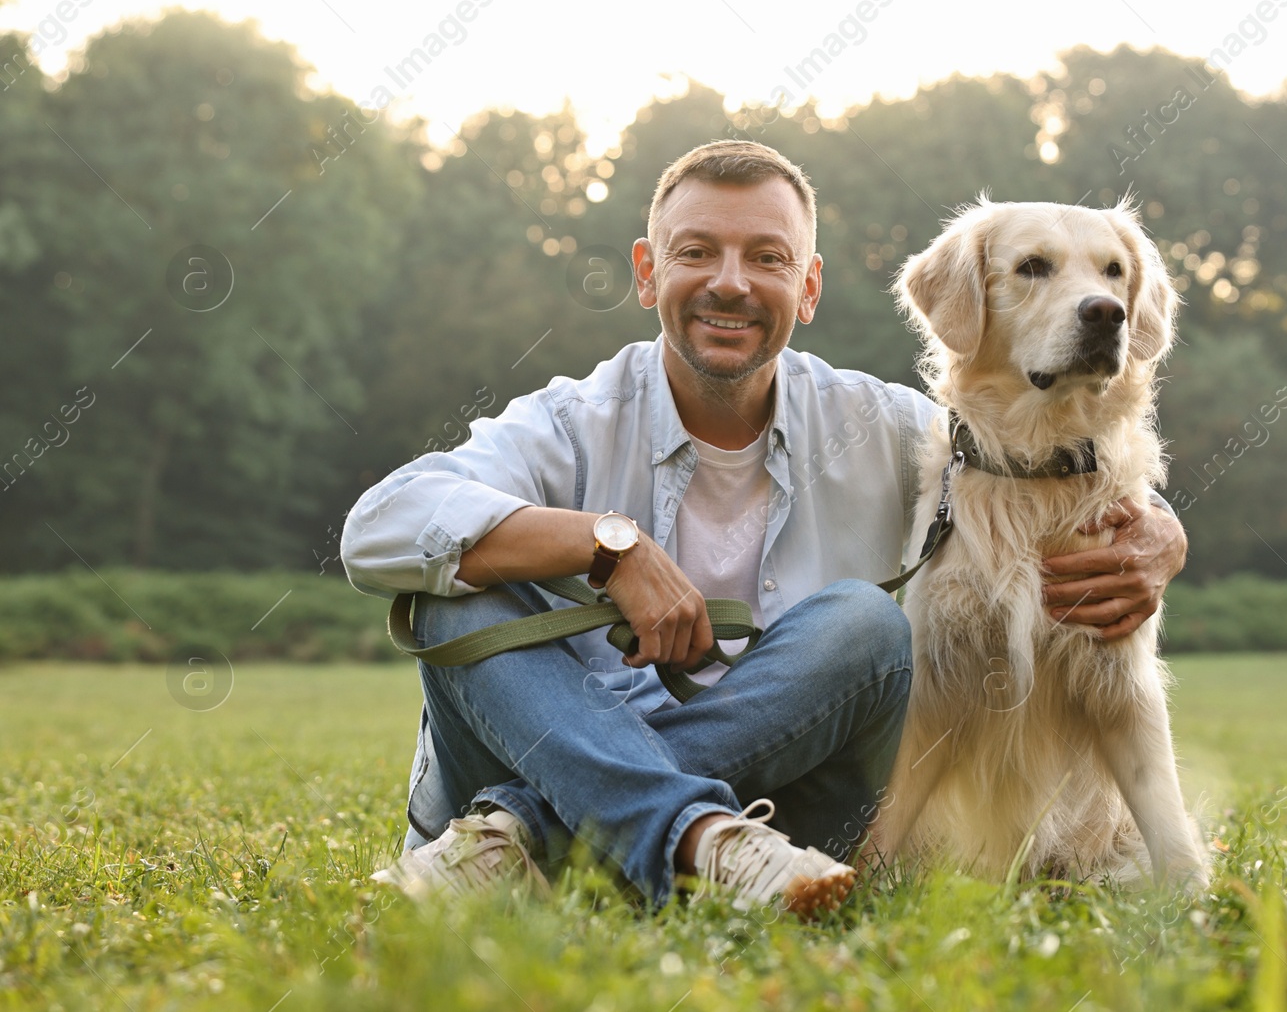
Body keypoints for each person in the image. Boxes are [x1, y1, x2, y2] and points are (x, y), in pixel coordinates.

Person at [341, 140, 1188, 916]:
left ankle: (522, 846)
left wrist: (1161, 532)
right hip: (729, 838)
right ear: (646, 272)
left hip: (781, 807)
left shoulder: (885, 426)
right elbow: (380, 525)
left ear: (809, 287)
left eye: (768, 258)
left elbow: (1036, 465)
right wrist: (607, 545)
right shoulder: (569, 421)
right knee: (451, 593)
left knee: (864, 623)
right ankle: (702, 841)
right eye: (697, 251)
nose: (731, 283)